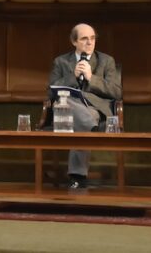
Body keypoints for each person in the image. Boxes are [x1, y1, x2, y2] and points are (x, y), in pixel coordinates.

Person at [47, 23, 121, 189]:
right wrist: (72, 76)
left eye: (92, 38)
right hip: (65, 109)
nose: (90, 43)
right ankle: (90, 129)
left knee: (81, 118)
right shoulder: (61, 61)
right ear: (74, 41)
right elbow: (51, 92)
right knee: (67, 103)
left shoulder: (106, 61)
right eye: (84, 39)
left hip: (92, 109)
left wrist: (91, 78)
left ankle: (77, 176)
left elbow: (116, 92)